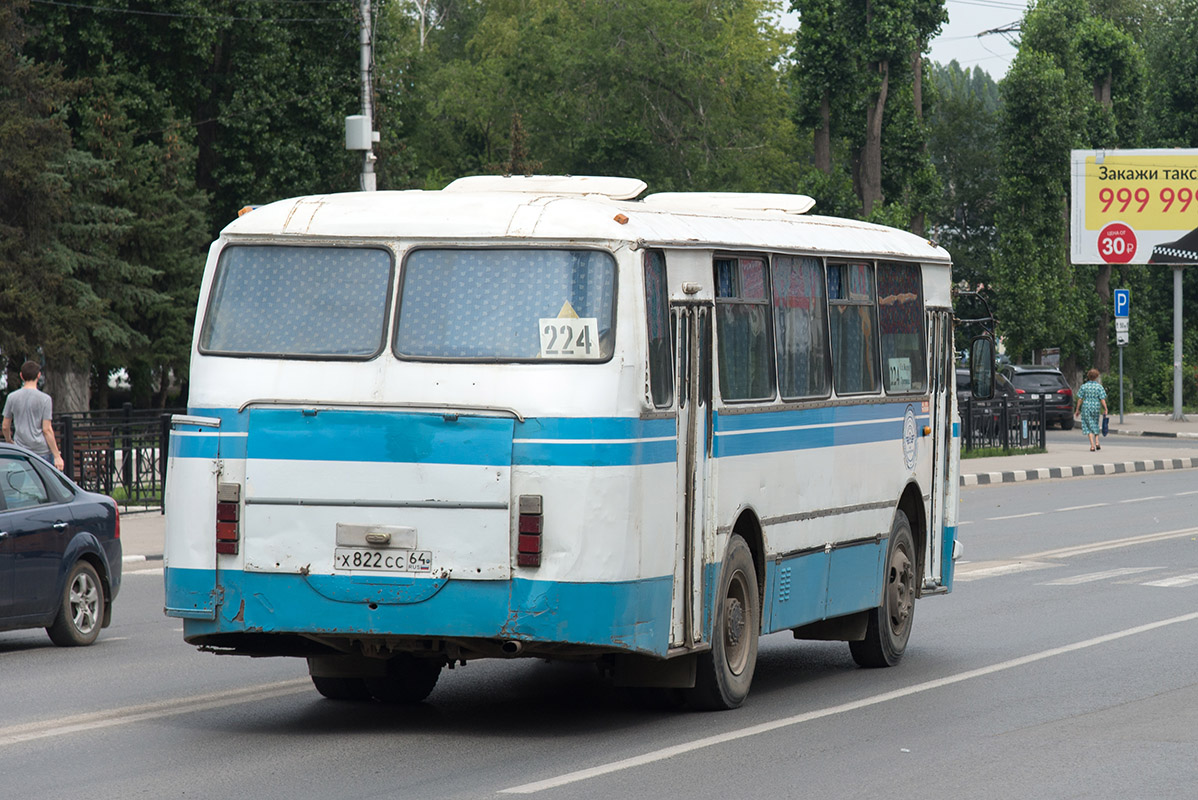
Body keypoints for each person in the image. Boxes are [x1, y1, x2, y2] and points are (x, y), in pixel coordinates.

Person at [2, 360, 65, 470]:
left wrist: (9, 441)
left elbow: (5, 426)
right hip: (41, 451)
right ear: (38, 375)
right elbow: (47, 429)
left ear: (21, 376)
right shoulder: (45, 399)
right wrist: (56, 455)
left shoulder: (12, 397)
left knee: (17, 484)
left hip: (20, 450)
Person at [1074, 368, 1109, 453]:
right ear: (1096, 377)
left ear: (1088, 376)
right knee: (1095, 423)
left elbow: (1080, 399)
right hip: (1096, 407)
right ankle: (1097, 441)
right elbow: (1102, 399)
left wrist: (1077, 409)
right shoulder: (1099, 387)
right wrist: (1105, 408)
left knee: (1088, 426)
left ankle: (1092, 446)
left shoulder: (1084, 386)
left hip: (1086, 407)